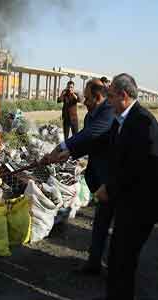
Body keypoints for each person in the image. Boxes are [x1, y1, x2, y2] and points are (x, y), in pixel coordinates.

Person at [94, 73, 158, 300]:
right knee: (118, 260)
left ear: (123, 95)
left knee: (122, 262)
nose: (107, 101)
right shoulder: (122, 120)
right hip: (126, 204)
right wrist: (68, 151)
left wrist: (109, 188)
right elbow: (103, 142)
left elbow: (138, 168)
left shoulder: (143, 122)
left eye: (110, 96)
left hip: (139, 208)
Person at [44, 79, 115, 276]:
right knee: (101, 221)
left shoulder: (108, 112)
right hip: (100, 178)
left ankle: (118, 269)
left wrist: (60, 148)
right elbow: (89, 142)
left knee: (120, 227)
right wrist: (67, 154)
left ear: (98, 97)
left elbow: (88, 135)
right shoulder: (93, 114)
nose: (84, 101)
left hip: (114, 178)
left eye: (88, 97)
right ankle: (94, 263)